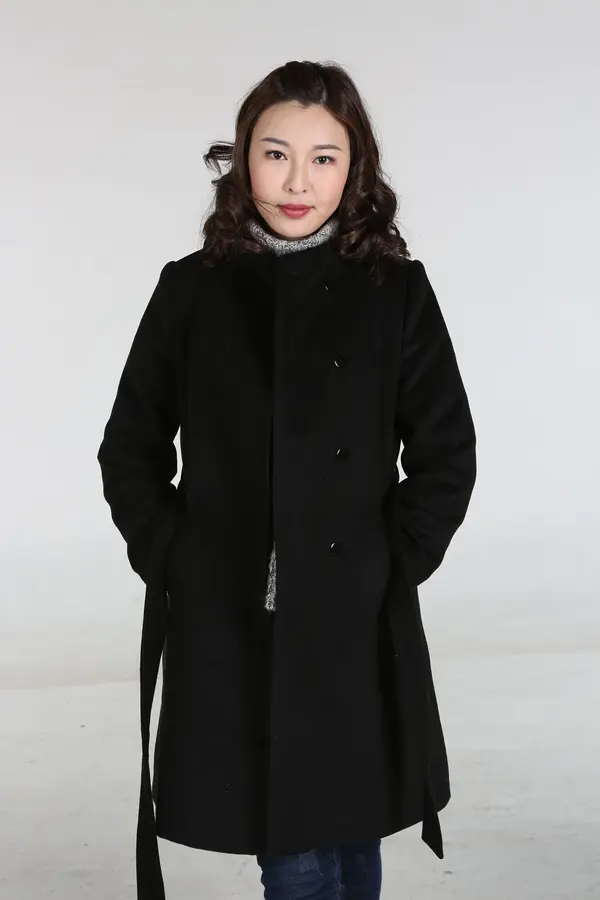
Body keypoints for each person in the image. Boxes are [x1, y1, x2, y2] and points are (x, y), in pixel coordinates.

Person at [97, 59, 477, 900]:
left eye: (323, 158)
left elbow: (447, 450)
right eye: (276, 154)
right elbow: (130, 447)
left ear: (355, 168)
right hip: (236, 617)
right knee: (294, 846)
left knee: (348, 825)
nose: (298, 181)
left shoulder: (395, 292)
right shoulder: (191, 291)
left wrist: (389, 561)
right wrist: (177, 554)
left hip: (351, 616)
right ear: (243, 159)